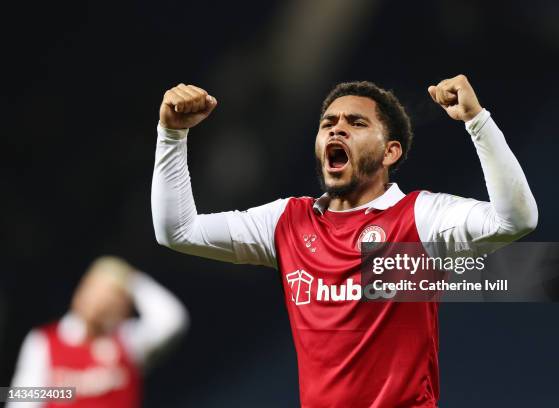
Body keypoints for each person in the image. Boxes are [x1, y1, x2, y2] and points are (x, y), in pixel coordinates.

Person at [151, 75, 538, 407]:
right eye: (328, 123)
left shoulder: (420, 218)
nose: (337, 129)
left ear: (391, 152)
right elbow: (177, 232)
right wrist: (172, 133)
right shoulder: (288, 221)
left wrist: (476, 120)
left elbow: (516, 220)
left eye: (356, 122)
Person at [8, 256, 189, 408]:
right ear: (80, 292)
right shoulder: (44, 341)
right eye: (95, 290)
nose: (100, 302)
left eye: (111, 296)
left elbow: (172, 320)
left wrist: (132, 279)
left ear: (123, 307)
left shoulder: (128, 341)